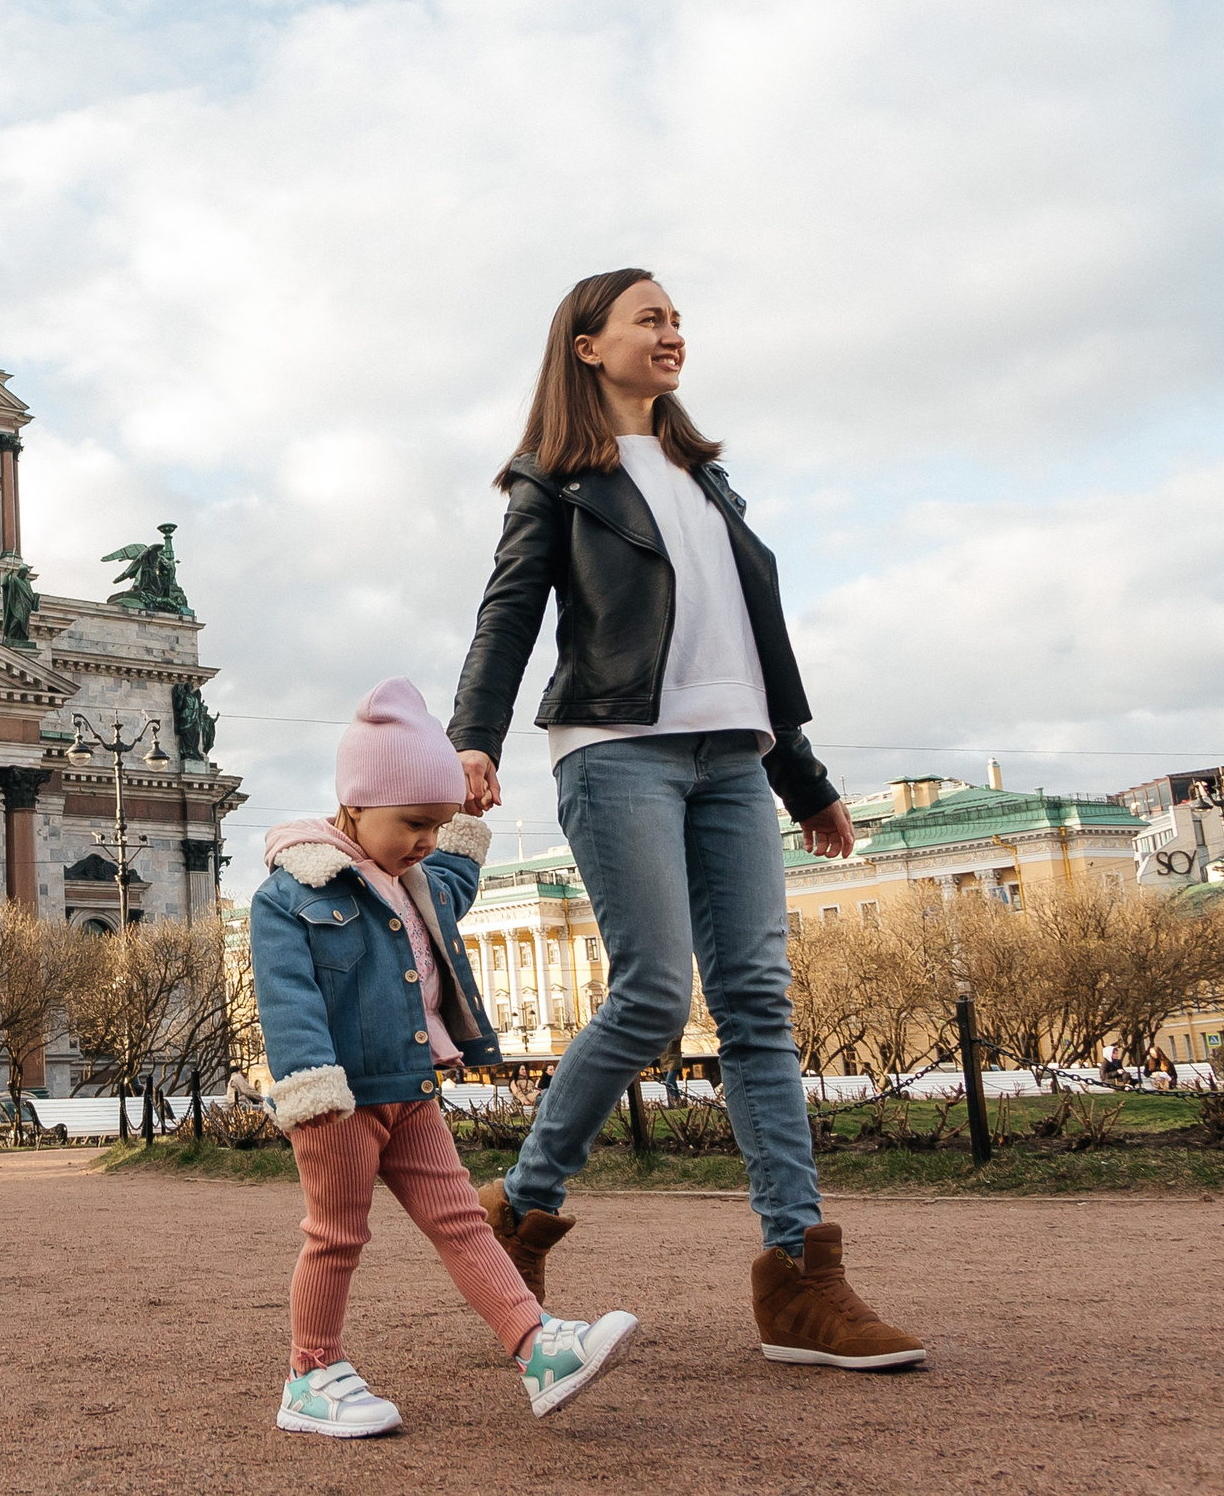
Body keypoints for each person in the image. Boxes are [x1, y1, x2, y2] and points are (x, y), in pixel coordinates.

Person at [448, 268, 925, 1372]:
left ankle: (801, 1282)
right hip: (618, 752)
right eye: (648, 318)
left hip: (734, 758)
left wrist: (800, 775)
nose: (672, 333)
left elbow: (753, 643)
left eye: (676, 319)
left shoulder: (709, 482)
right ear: (586, 346)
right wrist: (470, 734)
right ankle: (520, 1212)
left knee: (758, 1001)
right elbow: (508, 611)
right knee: (655, 988)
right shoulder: (556, 480)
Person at [250, 678, 639, 1435]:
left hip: (410, 1087)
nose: (426, 839)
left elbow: (454, 872)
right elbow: (287, 996)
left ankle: (537, 1347)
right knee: (336, 1234)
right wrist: (312, 1085)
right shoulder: (293, 892)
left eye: (436, 823)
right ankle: (310, 1372)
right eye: (413, 822)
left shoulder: (412, 879)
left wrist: (465, 804)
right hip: (337, 1098)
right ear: (355, 805)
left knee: (464, 1220)